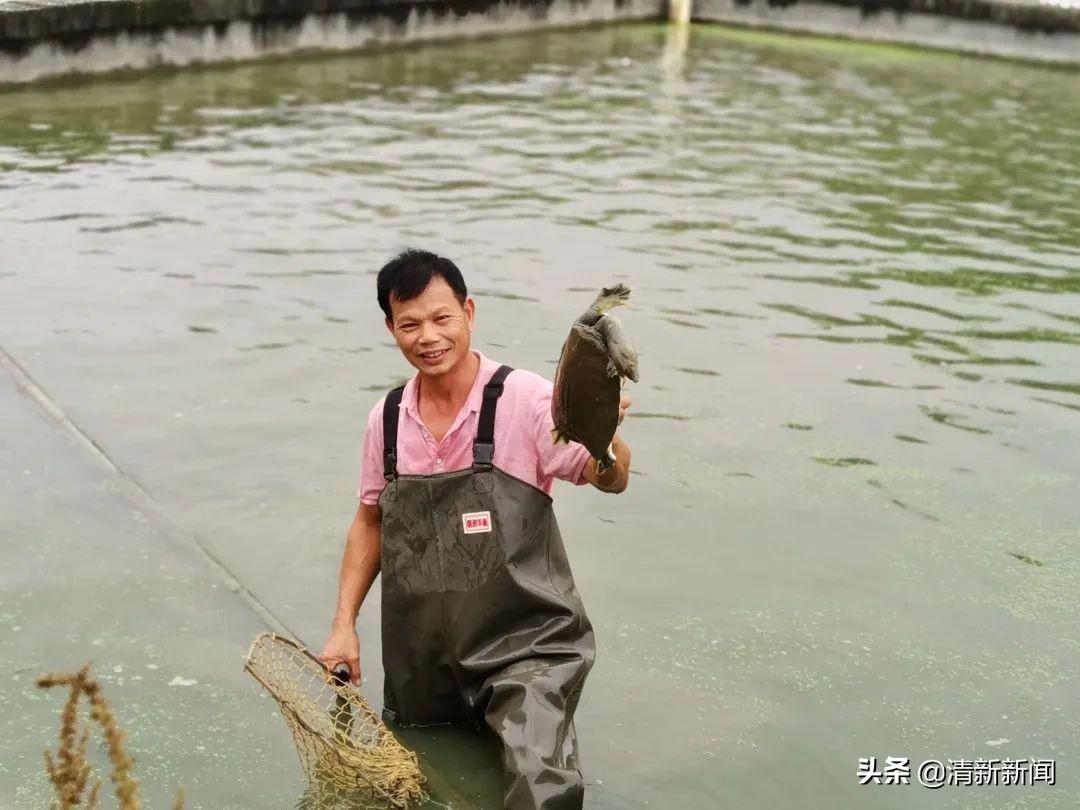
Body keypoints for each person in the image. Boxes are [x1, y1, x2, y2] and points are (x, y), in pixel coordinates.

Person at [318, 249, 631, 810]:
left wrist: (603, 438)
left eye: (442, 318)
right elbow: (369, 521)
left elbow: (608, 479)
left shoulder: (526, 397)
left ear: (469, 312)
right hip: (421, 665)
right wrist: (344, 625)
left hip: (526, 647)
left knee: (542, 783)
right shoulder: (386, 419)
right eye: (409, 324)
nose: (428, 336)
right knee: (419, 789)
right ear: (391, 328)